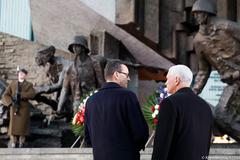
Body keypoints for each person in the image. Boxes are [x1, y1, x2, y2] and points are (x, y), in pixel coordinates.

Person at [192, 0, 240, 140]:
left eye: (198, 13)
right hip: (233, 83)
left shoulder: (227, 27)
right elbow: (203, 71)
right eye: (194, 14)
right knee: (221, 117)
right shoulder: (198, 41)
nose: (195, 16)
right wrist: (192, 92)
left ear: (207, 13)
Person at [84, 61, 149, 160]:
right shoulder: (127, 96)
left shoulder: (91, 101)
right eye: (126, 75)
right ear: (116, 75)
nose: (129, 78)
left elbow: (88, 137)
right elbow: (140, 132)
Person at [151, 65, 213, 160]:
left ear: (176, 80)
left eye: (167, 78)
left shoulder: (170, 103)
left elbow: (162, 143)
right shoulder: (205, 107)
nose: (166, 82)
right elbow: (207, 143)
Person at [57, 35, 105, 115]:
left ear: (83, 48)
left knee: (92, 125)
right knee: (78, 125)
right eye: (73, 46)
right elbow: (65, 89)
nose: (74, 48)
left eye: (77, 46)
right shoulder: (70, 68)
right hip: (77, 102)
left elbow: (101, 84)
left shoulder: (94, 63)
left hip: (92, 99)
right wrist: (59, 107)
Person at [0, 68, 36, 148]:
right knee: (13, 127)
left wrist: (22, 95)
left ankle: (21, 142)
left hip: (24, 108)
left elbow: (32, 94)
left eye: (23, 74)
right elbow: (5, 95)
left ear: (25, 75)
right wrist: (10, 103)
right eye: (20, 73)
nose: (21, 74)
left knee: (23, 126)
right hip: (14, 107)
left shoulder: (29, 85)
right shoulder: (12, 84)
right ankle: (13, 142)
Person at [35, 45, 72, 110]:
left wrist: (41, 90)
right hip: (62, 92)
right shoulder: (50, 68)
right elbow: (54, 85)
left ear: (49, 55)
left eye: (43, 58)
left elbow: (59, 85)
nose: (43, 64)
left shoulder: (63, 64)